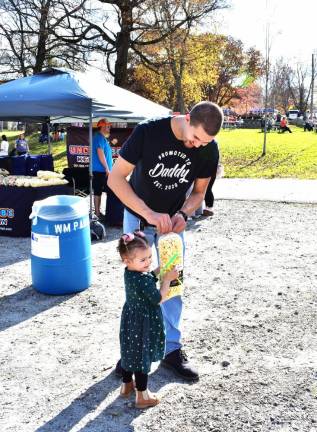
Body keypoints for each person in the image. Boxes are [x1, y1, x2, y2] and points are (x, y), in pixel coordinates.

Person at [108, 101, 223, 381]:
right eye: (195, 138)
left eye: (205, 142)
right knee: (138, 290)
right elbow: (115, 179)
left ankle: (172, 350)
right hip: (138, 221)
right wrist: (148, 213)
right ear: (187, 119)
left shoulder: (208, 147)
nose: (197, 146)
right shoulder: (149, 132)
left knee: (173, 282)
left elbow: (199, 191)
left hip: (172, 227)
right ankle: (134, 352)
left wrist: (184, 213)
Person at [117, 231, 179, 408]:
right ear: (127, 260)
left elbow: (148, 277)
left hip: (130, 319)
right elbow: (158, 298)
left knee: (130, 352)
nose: (148, 262)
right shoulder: (142, 280)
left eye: (150, 257)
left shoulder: (130, 272)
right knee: (141, 356)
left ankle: (126, 385)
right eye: (143, 260)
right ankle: (142, 396)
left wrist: (160, 269)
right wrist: (166, 280)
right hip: (143, 323)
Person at [92, 118, 113, 219]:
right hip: (100, 171)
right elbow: (101, 154)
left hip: (103, 171)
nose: (109, 127)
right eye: (108, 126)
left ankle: (101, 213)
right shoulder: (98, 137)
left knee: (100, 192)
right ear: (103, 126)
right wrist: (107, 169)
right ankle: (97, 214)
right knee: (98, 192)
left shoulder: (102, 138)